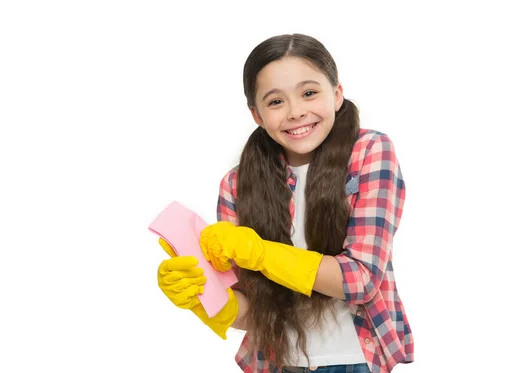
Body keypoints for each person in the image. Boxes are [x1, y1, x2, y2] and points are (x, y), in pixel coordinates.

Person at [156, 33, 414, 373]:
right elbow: (252, 313)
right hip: (274, 364)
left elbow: (360, 280)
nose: (296, 113)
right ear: (257, 115)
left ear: (336, 95)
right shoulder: (237, 185)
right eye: (276, 101)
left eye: (309, 93)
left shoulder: (369, 152)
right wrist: (204, 299)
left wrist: (262, 253)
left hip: (353, 363)